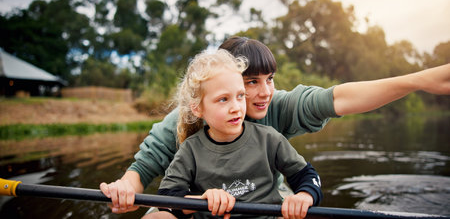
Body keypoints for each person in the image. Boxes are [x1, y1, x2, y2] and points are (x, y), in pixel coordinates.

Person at [100, 36, 450, 214]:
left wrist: (418, 80)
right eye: (251, 82)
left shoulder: (275, 106)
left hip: (265, 203)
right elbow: (142, 170)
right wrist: (125, 190)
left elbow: (339, 99)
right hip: (204, 207)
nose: (265, 92)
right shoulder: (183, 121)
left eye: (269, 79)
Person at [145, 49, 322, 219]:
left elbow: (307, 176)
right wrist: (202, 200)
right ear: (198, 108)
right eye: (223, 99)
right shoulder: (190, 149)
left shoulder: (270, 139)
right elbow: (167, 197)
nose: (236, 107)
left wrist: (305, 196)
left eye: (240, 96)